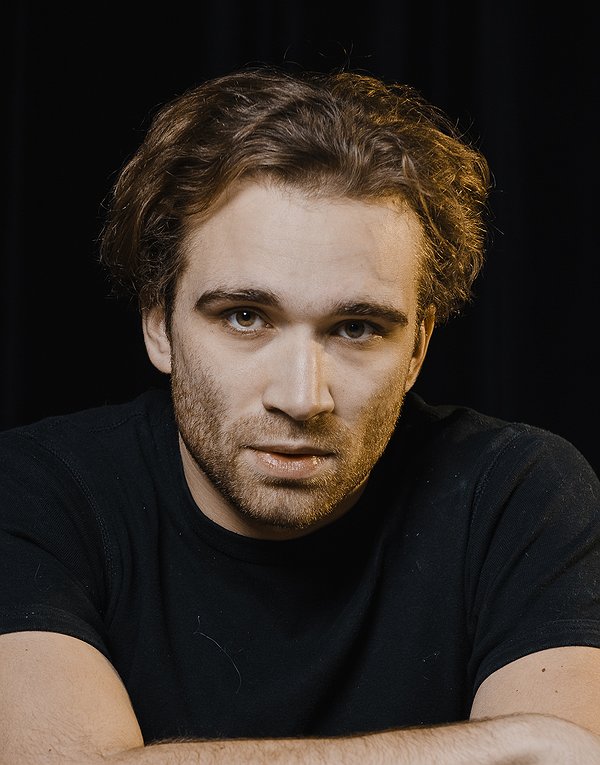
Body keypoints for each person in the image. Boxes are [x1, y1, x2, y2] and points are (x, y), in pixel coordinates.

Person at [1, 65, 600, 765]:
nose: (301, 396)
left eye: (356, 328)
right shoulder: (34, 491)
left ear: (417, 348)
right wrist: (507, 743)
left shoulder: (519, 494)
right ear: (159, 324)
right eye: (245, 316)